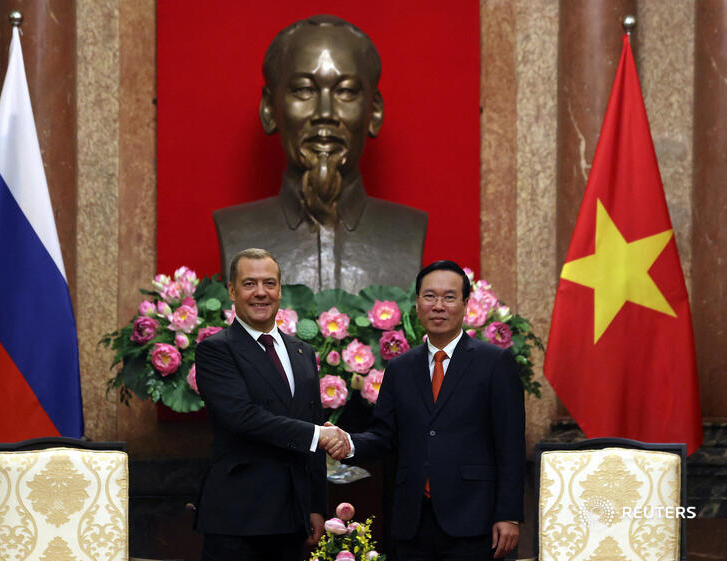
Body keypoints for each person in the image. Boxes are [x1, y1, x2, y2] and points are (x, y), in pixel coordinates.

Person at [214, 15, 427, 293]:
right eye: (304, 90)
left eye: (346, 91)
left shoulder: (408, 230)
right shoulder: (235, 229)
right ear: (269, 109)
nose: (325, 113)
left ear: (373, 111)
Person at [329, 260, 525, 560]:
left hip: (475, 517)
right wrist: (349, 441)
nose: (439, 306)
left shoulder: (495, 363)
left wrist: (509, 514)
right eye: (430, 296)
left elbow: (510, 444)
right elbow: (384, 436)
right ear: (417, 304)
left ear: (465, 304)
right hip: (413, 519)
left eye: (449, 297)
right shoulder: (400, 368)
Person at [194, 248, 348, 561]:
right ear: (232, 291)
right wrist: (318, 435)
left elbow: (314, 424)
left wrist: (317, 506)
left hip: (292, 518)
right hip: (238, 520)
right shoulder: (216, 350)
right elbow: (243, 417)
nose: (261, 293)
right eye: (250, 284)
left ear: (280, 289)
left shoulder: (302, 352)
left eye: (269, 283)